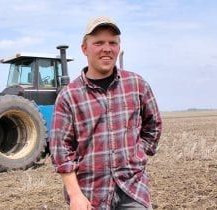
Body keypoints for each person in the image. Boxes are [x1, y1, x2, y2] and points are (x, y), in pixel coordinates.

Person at [49, 16, 162, 210]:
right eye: (98, 43)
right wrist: (75, 195)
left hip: (132, 189)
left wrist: (137, 153)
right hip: (90, 194)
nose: (107, 48)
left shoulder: (137, 84)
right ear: (85, 49)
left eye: (113, 43)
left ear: (119, 47)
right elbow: (61, 150)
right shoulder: (69, 96)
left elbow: (153, 125)